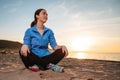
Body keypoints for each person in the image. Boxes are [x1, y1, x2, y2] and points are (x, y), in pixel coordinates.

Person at [19, 8, 68, 73]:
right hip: (33, 56)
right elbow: (26, 42)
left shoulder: (49, 31)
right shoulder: (29, 31)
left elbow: (54, 46)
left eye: (47, 14)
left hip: (46, 56)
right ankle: (50, 66)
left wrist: (62, 46)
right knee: (21, 51)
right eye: (44, 13)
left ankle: (37, 65)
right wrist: (25, 45)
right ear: (37, 16)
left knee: (62, 51)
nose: (46, 15)